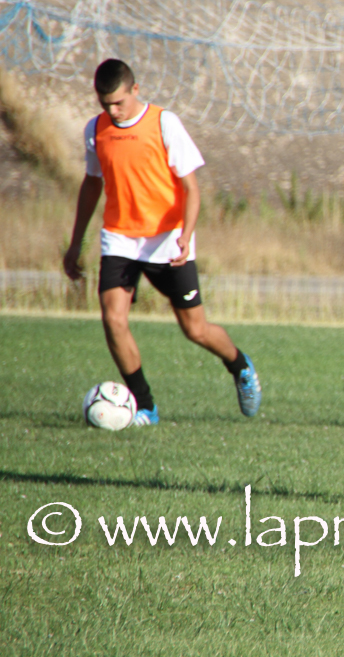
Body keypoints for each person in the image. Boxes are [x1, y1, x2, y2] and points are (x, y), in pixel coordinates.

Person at [63, 59, 260, 426]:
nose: (113, 111)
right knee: (113, 319)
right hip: (120, 238)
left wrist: (185, 235)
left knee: (195, 330)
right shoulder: (96, 130)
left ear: (135, 90)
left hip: (168, 238)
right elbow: (92, 184)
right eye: (105, 104)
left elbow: (191, 188)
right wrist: (76, 243)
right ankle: (145, 406)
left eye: (119, 102)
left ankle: (240, 366)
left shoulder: (164, 123)